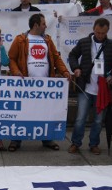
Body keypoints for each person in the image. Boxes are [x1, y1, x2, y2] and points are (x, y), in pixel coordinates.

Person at [7, 13, 71, 152]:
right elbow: (11, 58)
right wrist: (16, 71)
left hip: (46, 85)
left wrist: (65, 71)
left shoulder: (47, 40)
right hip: (25, 85)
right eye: (43, 24)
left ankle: (47, 139)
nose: (46, 26)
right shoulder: (20, 39)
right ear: (36, 25)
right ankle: (15, 140)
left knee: (45, 113)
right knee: (21, 113)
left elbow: (56, 57)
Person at [67, 17, 112, 155]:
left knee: (98, 120)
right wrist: (76, 68)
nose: (100, 35)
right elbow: (72, 55)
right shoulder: (84, 42)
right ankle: (75, 143)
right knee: (80, 118)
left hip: (102, 90)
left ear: (107, 31)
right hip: (85, 87)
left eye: (103, 33)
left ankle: (94, 144)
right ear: (93, 29)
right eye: (98, 32)